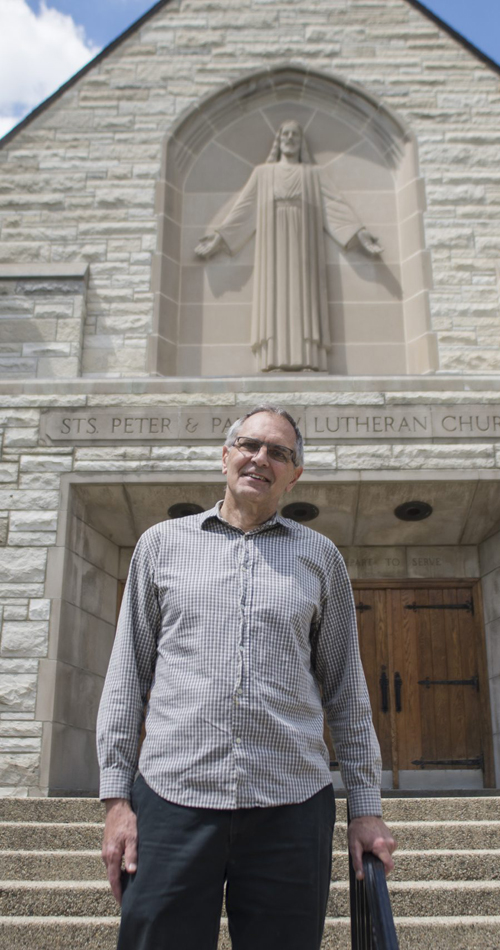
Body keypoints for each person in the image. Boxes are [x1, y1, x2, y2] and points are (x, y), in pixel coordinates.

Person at [97, 404, 396, 950]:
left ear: (295, 473)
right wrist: (117, 800)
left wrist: (366, 809)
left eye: (279, 452)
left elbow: (347, 690)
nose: (261, 459)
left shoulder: (320, 558)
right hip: (173, 796)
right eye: (249, 445)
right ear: (225, 455)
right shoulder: (160, 546)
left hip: (291, 805)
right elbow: (126, 676)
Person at [195, 120, 382, 372]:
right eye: (285, 133)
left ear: (301, 141)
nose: (290, 138)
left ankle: (309, 360)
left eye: (295, 134)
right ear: (279, 139)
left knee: (304, 299)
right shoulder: (263, 173)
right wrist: (218, 238)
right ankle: (272, 359)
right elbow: (243, 209)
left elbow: (336, 206)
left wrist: (360, 236)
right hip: (272, 248)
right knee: (274, 297)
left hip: (306, 248)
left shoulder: (313, 174)